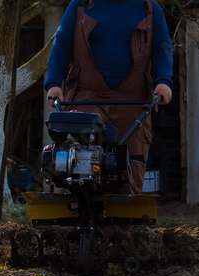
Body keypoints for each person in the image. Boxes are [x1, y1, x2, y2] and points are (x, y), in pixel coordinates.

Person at [45, 0, 173, 194]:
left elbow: (162, 48)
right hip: (88, 94)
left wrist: (163, 81)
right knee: (81, 151)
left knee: (130, 165)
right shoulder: (79, 6)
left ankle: (120, 221)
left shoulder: (151, 10)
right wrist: (54, 82)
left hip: (133, 98)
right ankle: (83, 210)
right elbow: (62, 42)